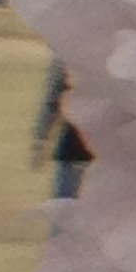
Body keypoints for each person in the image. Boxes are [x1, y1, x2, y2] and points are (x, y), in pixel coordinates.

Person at [33, 61, 92, 200]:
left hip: (76, 145)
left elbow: (53, 98)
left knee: (65, 208)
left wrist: (40, 138)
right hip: (86, 147)